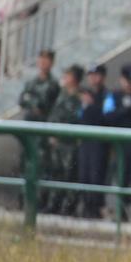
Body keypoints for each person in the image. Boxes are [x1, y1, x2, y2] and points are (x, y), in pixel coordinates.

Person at [103, 63, 131, 220]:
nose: (130, 85)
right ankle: (120, 212)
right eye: (127, 81)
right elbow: (108, 116)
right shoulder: (114, 96)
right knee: (121, 178)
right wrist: (128, 109)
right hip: (120, 145)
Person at [46, 65, 83, 215]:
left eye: (68, 75)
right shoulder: (61, 95)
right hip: (57, 142)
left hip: (70, 143)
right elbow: (54, 115)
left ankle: (68, 208)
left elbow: (77, 119)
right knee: (56, 174)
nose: (65, 78)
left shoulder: (79, 98)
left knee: (69, 176)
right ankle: (52, 205)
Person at [77, 64, 109, 218]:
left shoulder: (107, 96)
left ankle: (95, 208)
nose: (93, 78)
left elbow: (107, 117)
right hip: (85, 140)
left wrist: (91, 105)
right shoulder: (83, 94)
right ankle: (85, 206)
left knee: (96, 174)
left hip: (99, 141)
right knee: (84, 174)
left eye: (96, 75)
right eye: (91, 75)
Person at [18, 49, 59, 122]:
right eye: (41, 58)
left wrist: (30, 100)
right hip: (28, 121)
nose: (43, 62)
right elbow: (22, 100)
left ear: (51, 63)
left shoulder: (53, 83)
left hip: (44, 123)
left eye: (46, 59)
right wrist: (33, 104)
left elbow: (44, 103)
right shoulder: (31, 82)